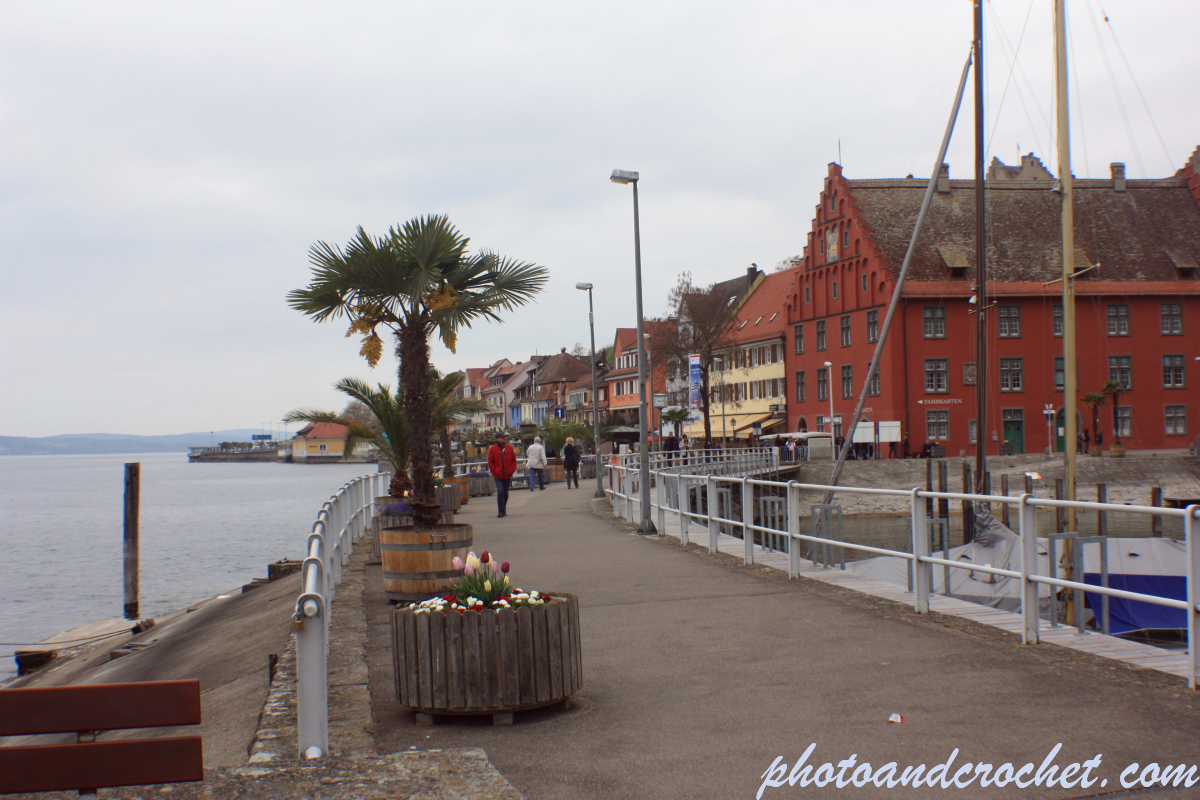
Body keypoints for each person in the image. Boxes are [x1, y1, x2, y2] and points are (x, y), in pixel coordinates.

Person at [488, 432, 517, 517]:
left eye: (505, 437)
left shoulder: (509, 448)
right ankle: (500, 510)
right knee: (500, 491)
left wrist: (511, 470)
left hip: (507, 474)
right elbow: (490, 462)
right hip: (498, 475)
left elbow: (513, 460)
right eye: (503, 437)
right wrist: (494, 470)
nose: (504, 439)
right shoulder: (492, 449)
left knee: (505, 493)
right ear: (498, 439)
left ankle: (503, 507)